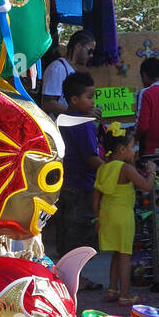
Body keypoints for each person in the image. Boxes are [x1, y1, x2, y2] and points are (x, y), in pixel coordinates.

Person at [43, 72, 104, 289]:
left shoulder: (62, 120)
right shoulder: (82, 123)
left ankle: (66, 277)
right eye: (89, 97)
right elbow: (90, 157)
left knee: (66, 232)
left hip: (64, 184)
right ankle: (76, 280)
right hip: (80, 186)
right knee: (78, 235)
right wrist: (113, 171)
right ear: (74, 99)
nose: (93, 102)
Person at [93, 122, 155, 304]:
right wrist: (151, 170)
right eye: (131, 146)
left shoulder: (103, 167)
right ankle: (125, 294)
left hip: (106, 215)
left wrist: (97, 217)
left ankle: (112, 290)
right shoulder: (126, 169)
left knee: (116, 253)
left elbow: (95, 195)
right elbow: (147, 185)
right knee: (125, 254)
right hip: (123, 216)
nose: (134, 150)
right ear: (121, 149)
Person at [41, 30, 94, 116]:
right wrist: (78, 113)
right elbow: (47, 104)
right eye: (90, 51)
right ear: (78, 46)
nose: (91, 55)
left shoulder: (71, 69)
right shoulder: (58, 68)